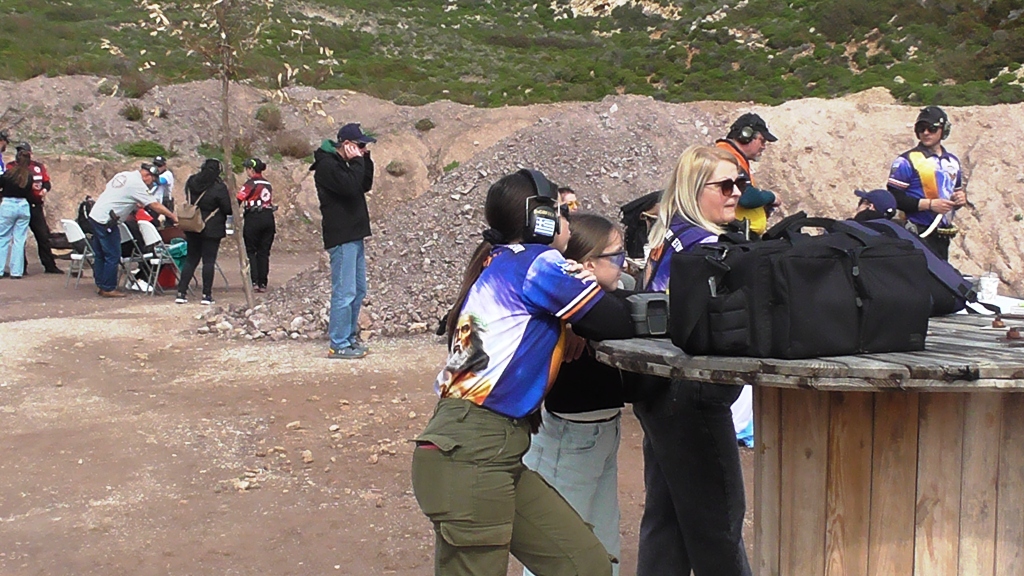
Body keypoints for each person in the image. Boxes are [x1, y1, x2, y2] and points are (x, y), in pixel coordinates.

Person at [410, 169, 634, 576]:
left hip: (490, 448)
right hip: (474, 451)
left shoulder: (501, 259)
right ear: (540, 219)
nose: (568, 220)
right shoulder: (538, 261)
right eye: (561, 212)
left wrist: (570, 322)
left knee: (586, 565)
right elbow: (614, 320)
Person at [639, 145, 752, 576]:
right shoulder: (707, 247)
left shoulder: (668, 234)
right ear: (694, 189)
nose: (736, 192)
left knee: (667, 523)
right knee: (718, 523)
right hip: (693, 391)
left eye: (739, 183)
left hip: (658, 387)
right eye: (725, 185)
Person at [521, 212, 631, 576]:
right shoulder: (567, 307)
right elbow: (620, 318)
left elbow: (631, 303)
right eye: (616, 255)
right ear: (588, 265)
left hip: (600, 429)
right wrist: (576, 320)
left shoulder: (599, 303)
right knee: (556, 552)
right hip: (567, 436)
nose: (624, 262)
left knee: (602, 546)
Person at [311, 123, 375, 359]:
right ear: (346, 144)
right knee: (344, 291)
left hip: (354, 234)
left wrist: (365, 160)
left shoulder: (346, 165)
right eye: (360, 145)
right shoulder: (327, 166)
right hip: (341, 235)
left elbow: (363, 185)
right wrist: (357, 162)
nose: (362, 149)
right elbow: (349, 188)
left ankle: (348, 338)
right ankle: (338, 343)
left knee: (358, 290)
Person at [886, 105, 966, 261]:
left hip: (942, 235)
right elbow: (894, 198)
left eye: (932, 128)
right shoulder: (906, 161)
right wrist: (929, 205)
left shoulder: (953, 162)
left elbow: (954, 193)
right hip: (916, 233)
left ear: (944, 130)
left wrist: (959, 200)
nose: (926, 133)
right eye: (921, 129)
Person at [89, 163, 178, 297]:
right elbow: (154, 205)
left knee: (100, 254)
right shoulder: (138, 185)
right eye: (153, 180)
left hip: (96, 215)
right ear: (147, 175)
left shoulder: (124, 175)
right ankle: (108, 288)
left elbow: (117, 193)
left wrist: (131, 203)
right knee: (112, 255)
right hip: (106, 221)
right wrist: (172, 216)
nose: (151, 184)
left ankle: (101, 284)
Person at [174, 159, 232, 305]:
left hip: (193, 224)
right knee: (209, 261)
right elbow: (228, 209)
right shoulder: (218, 187)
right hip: (212, 227)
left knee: (191, 259)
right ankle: (206, 295)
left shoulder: (191, 181)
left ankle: (181, 293)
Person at [715, 112, 782, 235]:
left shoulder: (733, 157)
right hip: (731, 233)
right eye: (762, 141)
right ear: (746, 135)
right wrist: (772, 197)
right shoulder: (728, 158)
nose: (763, 146)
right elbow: (746, 197)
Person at [10, 143, 62, 274]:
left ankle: (49, 265)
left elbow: (46, 182)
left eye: (24, 152)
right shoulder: (11, 166)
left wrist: (44, 190)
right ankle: (21, 267)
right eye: (20, 152)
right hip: (20, 203)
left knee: (43, 236)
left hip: (35, 205)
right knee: (19, 238)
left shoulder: (38, 167)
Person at [237, 157, 276, 293]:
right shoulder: (268, 184)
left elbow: (239, 199)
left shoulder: (250, 184)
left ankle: (253, 281)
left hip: (253, 218)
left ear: (251, 170)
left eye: (247, 169)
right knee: (264, 252)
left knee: (251, 251)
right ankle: (263, 282)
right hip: (268, 217)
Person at [0, 148, 35, 279]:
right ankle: (16, 272)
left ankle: (0, 269)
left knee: (3, 238)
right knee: (19, 240)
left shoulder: (8, 174)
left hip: (8, 204)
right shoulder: (29, 176)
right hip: (23, 205)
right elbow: (29, 192)